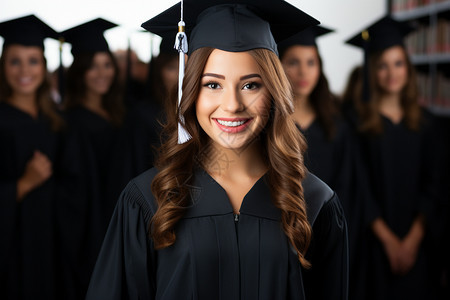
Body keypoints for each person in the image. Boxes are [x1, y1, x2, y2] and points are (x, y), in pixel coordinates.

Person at [86, 0, 348, 299]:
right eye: (213, 85)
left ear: (274, 93)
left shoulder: (315, 202)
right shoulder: (148, 199)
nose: (233, 105)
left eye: (251, 85)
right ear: (191, 92)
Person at [346, 15, 442, 300]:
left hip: (418, 244)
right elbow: (359, 186)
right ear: (371, 71)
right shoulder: (356, 124)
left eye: (398, 63)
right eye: (382, 66)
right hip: (374, 244)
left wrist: (411, 241)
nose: (392, 73)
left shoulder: (427, 124)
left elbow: (434, 186)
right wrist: (389, 241)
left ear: (408, 68)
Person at [278, 26, 369, 300]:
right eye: (293, 62)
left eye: (311, 62)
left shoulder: (336, 126)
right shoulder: (269, 128)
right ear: (277, 67)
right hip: (280, 238)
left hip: (326, 237)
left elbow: (346, 189)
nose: (304, 72)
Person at [0, 14, 81, 300]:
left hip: (52, 242)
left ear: (44, 66)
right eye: (14, 61)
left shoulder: (57, 122)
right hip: (11, 248)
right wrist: (23, 184)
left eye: (33, 61)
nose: (25, 70)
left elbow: (76, 185)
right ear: (3, 66)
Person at [61, 18, 129, 299]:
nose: (101, 73)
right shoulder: (71, 123)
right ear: (79, 72)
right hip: (94, 228)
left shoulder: (122, 114)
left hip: (124, 218)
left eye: (106, 64)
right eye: (92, 66)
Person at [124, 36, 179, 176]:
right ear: (159, 71)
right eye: (172, 67)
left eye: (187, 65)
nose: (181, 75)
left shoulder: (203, 112)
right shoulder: (143, 115)